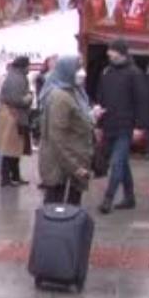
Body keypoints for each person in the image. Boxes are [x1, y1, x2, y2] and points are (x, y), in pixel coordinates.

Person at [96, 40, 149, 214]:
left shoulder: (135, 73)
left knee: (117, 163)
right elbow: (101, 99)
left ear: (121, 53)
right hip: (110, 124)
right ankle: (129, 197)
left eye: (112, 51)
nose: (109, 54)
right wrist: (99, 124)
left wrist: (139, 126)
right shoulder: (107, 72)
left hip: (126, 126)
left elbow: (142, 101)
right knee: (122, 163)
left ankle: (108, 198)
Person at [38, 55, 95, 206]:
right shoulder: (61, 97)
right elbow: (57, 137)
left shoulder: (74, 93)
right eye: (78, 68)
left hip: (70, 162)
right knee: (57, 210)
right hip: (62, 166)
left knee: (67, 210)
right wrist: (75, 167)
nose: (82, 72)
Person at [0, 56, 33, 187]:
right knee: (10, 149)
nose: (30, 68)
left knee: (14, 148)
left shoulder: (15, 76)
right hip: (13, 117)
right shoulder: (16, 78)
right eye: (28, 65)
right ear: (23, 66)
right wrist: (29, 97)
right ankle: (6, 178)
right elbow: (16, 99)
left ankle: (14, 176)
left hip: (13, 116)